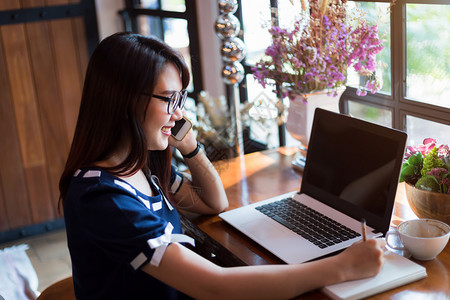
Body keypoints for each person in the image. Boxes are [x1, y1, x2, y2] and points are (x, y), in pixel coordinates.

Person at [59, 32, 386, 300]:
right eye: (169, 99)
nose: (178, 114)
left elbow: (213, 203)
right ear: (124, 100)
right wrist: (341, 267)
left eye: (180, 100)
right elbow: (212, 286)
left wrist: (189, 147)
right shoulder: (103, 197)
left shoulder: (140, 166)